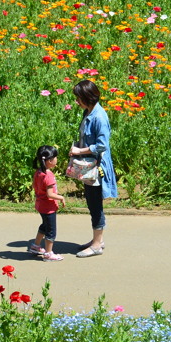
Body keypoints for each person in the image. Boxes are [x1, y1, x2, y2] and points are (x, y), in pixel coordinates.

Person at [70, 79, 117, 257]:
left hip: (96, 168)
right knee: (91, 203)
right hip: (88, 165)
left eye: (78, 98)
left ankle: (97, 244)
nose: (76, 101)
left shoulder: (98, 117)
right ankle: (97, 240)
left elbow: (102, 145)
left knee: (95, 204)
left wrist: (78, 150)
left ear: (87, 97)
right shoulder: (88, 112)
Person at [30, 145, 65, 262]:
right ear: (50, 160)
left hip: (40, 205)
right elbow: (50, 194)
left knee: (44, 226)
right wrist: (61, 197)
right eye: (56, 157)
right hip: (48, 207)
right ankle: (49, 253)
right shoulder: (49, 175)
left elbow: (35, 186)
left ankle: (36, 246)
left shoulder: (39, 172)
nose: (57, 160)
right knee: (51, 230)